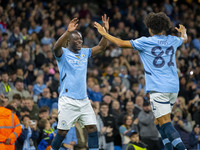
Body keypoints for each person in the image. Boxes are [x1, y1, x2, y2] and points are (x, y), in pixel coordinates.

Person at [94, 12, 187, 150]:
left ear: (150, 28)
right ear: (165, 27)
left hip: (158, 88)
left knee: (166, 123)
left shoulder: (146, 41)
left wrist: (104, 33)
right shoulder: (172, 40)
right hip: (173, 87)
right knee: (158, 121)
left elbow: (120, 43)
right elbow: (184, 39)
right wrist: (183, 32)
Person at [51, 14, 109, 150]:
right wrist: (67, 32)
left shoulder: (84, 52)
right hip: (68, 100)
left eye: (81, 40)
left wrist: (105, 33)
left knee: (93, 128)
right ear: (68, 41)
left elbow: (101, 47)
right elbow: (55, 48)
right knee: (62, 132)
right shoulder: (63, 54)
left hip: (83, 100)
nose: (80, 42)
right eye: (76, 40)